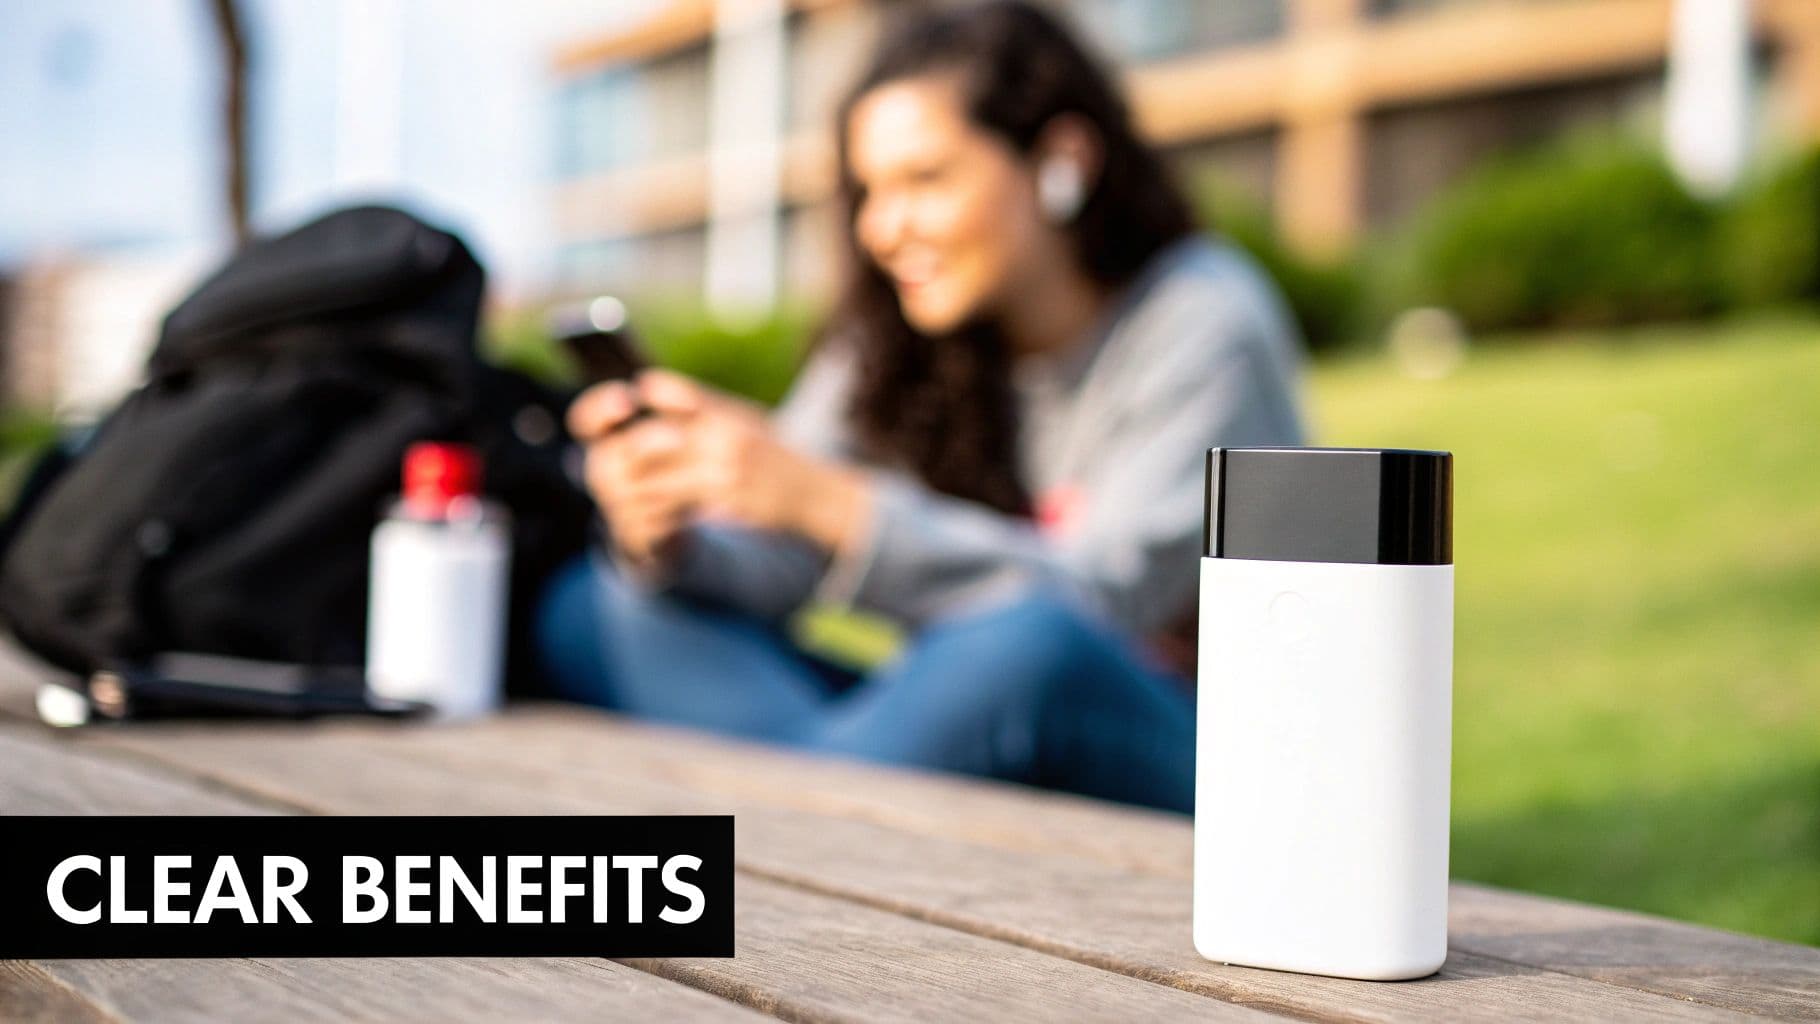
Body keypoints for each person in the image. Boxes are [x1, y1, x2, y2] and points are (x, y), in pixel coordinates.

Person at [537, 0, 1305, 813]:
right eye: (869, 190)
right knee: (601, 605)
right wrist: (678, 534)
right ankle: (819, 806)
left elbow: (1106, 605)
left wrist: (832, 506)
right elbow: (782, 548)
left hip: (1186, 745)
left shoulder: (1202, 318)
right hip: (945, 718)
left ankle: (790, 819)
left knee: (1025, 648)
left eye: (926, 180)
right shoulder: (904, 322)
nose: (883, 228)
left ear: (1062, 160)